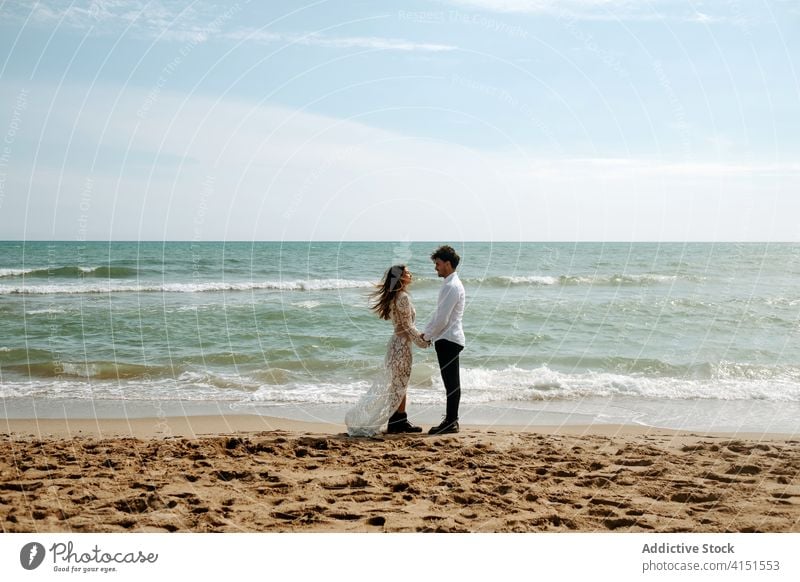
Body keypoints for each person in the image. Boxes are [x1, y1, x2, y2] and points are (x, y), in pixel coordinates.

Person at [345, 265, 430, 437]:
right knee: (400, 384)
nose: (410, 274)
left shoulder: (394, 297)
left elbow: (403, 325)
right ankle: (398, 422)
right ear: (400, 278)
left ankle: (398, 421)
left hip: (396, 344)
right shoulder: (403, 297)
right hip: (401, 346)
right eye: (407, 272)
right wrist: (423, 341)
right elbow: (408, 326)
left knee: (398, 384)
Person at [421, 245, 465, 435]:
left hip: (448, 339)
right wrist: (427, 333)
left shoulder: (451, 286)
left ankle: (451, 421)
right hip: (448, 338)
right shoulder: (450, 284)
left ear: (447, 264)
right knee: (451, 382)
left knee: (451, 383)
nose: (435, 268)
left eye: (438, 264)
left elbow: (442, 319)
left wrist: (428, 336)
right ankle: (451, 420)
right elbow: (439, 315)